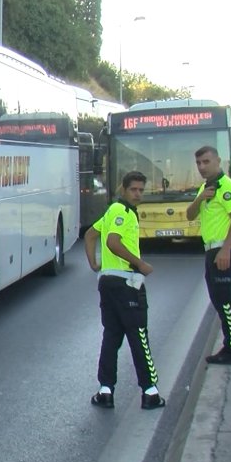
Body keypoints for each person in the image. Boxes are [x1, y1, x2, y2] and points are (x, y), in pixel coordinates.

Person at [84, 171, 165, 410]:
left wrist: (94, 263)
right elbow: (113, 242)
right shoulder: (123, 212)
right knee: (139, 336)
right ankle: (150, 392)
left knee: (111, 336)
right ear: (123, 189)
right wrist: (140, 264)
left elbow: (90, 235)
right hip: (127, 284)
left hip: (107, 282)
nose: (138, 194)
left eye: (141, 190)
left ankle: (105, 391)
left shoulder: (111, 211)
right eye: (133, 189)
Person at [186, 146, 231, 364]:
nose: (202, 167)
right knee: (220, 300)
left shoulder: (226, 186)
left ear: (218, 161)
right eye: (198, 163)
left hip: (223, 250)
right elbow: (190, 215)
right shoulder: (206, 187)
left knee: (224, 302)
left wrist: (226, 250)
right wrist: (200, 198)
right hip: (211, 250)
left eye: (206, 162)